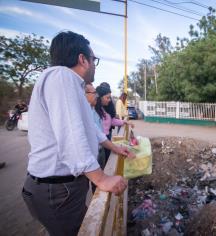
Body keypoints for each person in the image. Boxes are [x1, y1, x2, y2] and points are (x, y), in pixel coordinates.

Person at [22, 31, 134, 236]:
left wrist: (117, 147)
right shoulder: (61, 76)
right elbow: (71, 135)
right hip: (56, 191)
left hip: (59, 190)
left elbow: (92, 131)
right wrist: (101, 179)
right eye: (93, 59)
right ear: (82, 59)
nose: (94, 65)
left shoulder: (70, 84)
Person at [95, 85, 134, 166]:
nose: (109, 100)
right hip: (98, 146)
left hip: (104, 143)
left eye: (110, 97)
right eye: (107, 98)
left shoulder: (103, 109)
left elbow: (111, 121)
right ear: (100, 97)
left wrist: (124, 122)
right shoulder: (93, 112)